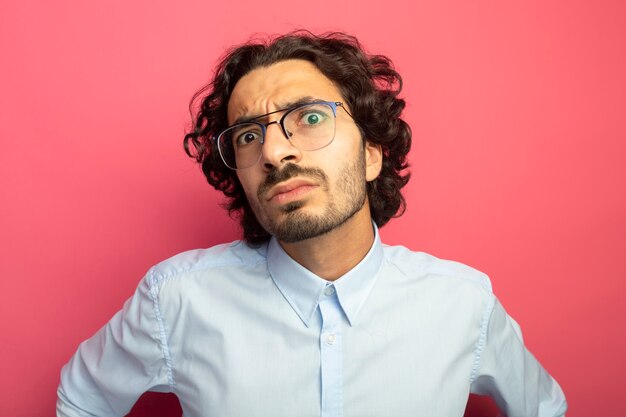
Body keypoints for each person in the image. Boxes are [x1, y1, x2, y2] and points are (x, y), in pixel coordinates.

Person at [57, 31, 567, 417]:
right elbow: (80, 400)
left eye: (311, 117)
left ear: (371, 154)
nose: (275, 152)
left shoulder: (463, 304)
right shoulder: (175, 299)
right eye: (248, 136)